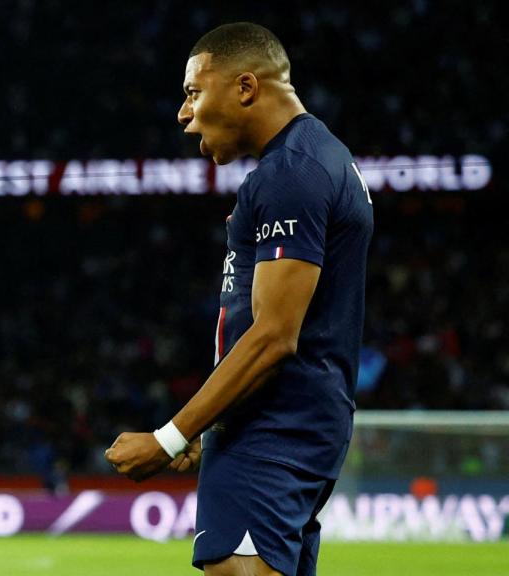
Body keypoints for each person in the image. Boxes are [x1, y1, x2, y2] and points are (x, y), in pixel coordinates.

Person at [105, 22, 373, 576]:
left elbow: (274, 336)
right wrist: (210, 423)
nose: (183, 114)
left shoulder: (291, 174)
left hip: (270, 434)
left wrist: (169, 436)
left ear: (246, 87)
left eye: (193, 93)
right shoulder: (318, 158)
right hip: (286, 429)